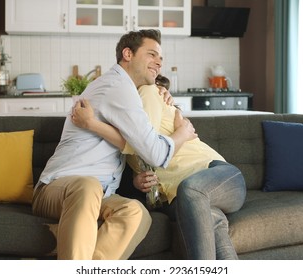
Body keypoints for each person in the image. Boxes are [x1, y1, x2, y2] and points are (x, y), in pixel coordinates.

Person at [33, 29, 197, 260]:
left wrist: (161, 91)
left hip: (100, 193)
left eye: (161, 58)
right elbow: (156, 154)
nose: (159, 62)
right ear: (127, 54)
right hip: (56, 188)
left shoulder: (130, 91)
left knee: (136, 213)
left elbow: (131, 145)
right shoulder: (116, 87)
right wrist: (183, 132)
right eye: (151, 54)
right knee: (87, 186)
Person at [72, 74, 246, 260]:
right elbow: (129, 170)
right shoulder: (121, 123)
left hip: (217, 174)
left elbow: (148, 144)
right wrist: (135, 182)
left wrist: (92, 124)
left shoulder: (148, 95)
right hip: (175, 197)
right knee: (211, 220)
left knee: (191, 190)